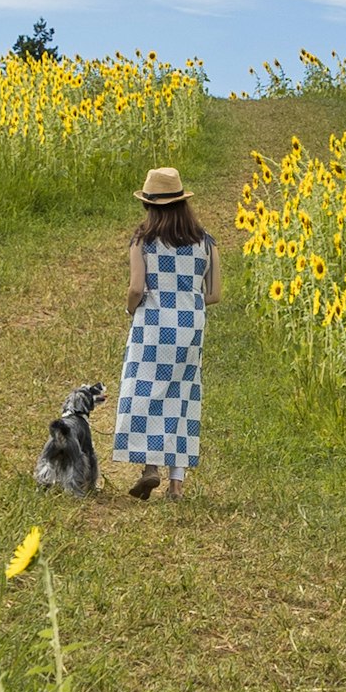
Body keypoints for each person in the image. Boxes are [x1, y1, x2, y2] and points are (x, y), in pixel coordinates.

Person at [111, 164, 217, 500]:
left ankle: (149, 468)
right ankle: (177, 485)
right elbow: (213, 293)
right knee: (183, 396)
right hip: (189, 326)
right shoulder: (205, 242)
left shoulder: (143, 241)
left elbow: (136, 288)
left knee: (142, 392)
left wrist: (131, 309)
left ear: (149, 206)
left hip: (153, 325)